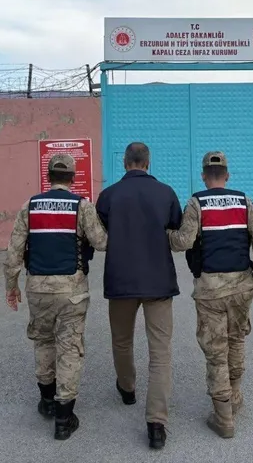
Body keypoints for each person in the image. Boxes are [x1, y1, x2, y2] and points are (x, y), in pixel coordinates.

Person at [167, 151, 253, 439]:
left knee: (216, 352)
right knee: (236, 339)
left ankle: (223, 418)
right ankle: (235, 397)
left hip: (210, 291)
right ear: (227, 176)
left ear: (204, 176)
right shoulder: (244, 201)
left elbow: (183, 242)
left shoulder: (197, 202)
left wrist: (164, 233)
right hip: (243, 287)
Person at [3, 153, 108, 441]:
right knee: (70, 347)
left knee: (43, 341)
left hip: (37, 287)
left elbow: (14, 251)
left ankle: (47, 400)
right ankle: (64, 416)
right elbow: (101, 242)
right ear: (73, 178)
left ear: (48, 177)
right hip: (71, 289)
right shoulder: (82, 207)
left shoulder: (30, 206)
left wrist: (11, 286)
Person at [95, 142, 183, 450]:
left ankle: (128, 388)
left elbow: (99, 234)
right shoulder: (167, 193)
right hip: (158, 282)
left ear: (125, 162)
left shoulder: (108, 196)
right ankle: (156, 423)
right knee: (160, 351)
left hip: (120, 281)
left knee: (122, 340)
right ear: (147, 162)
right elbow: (176, 229)